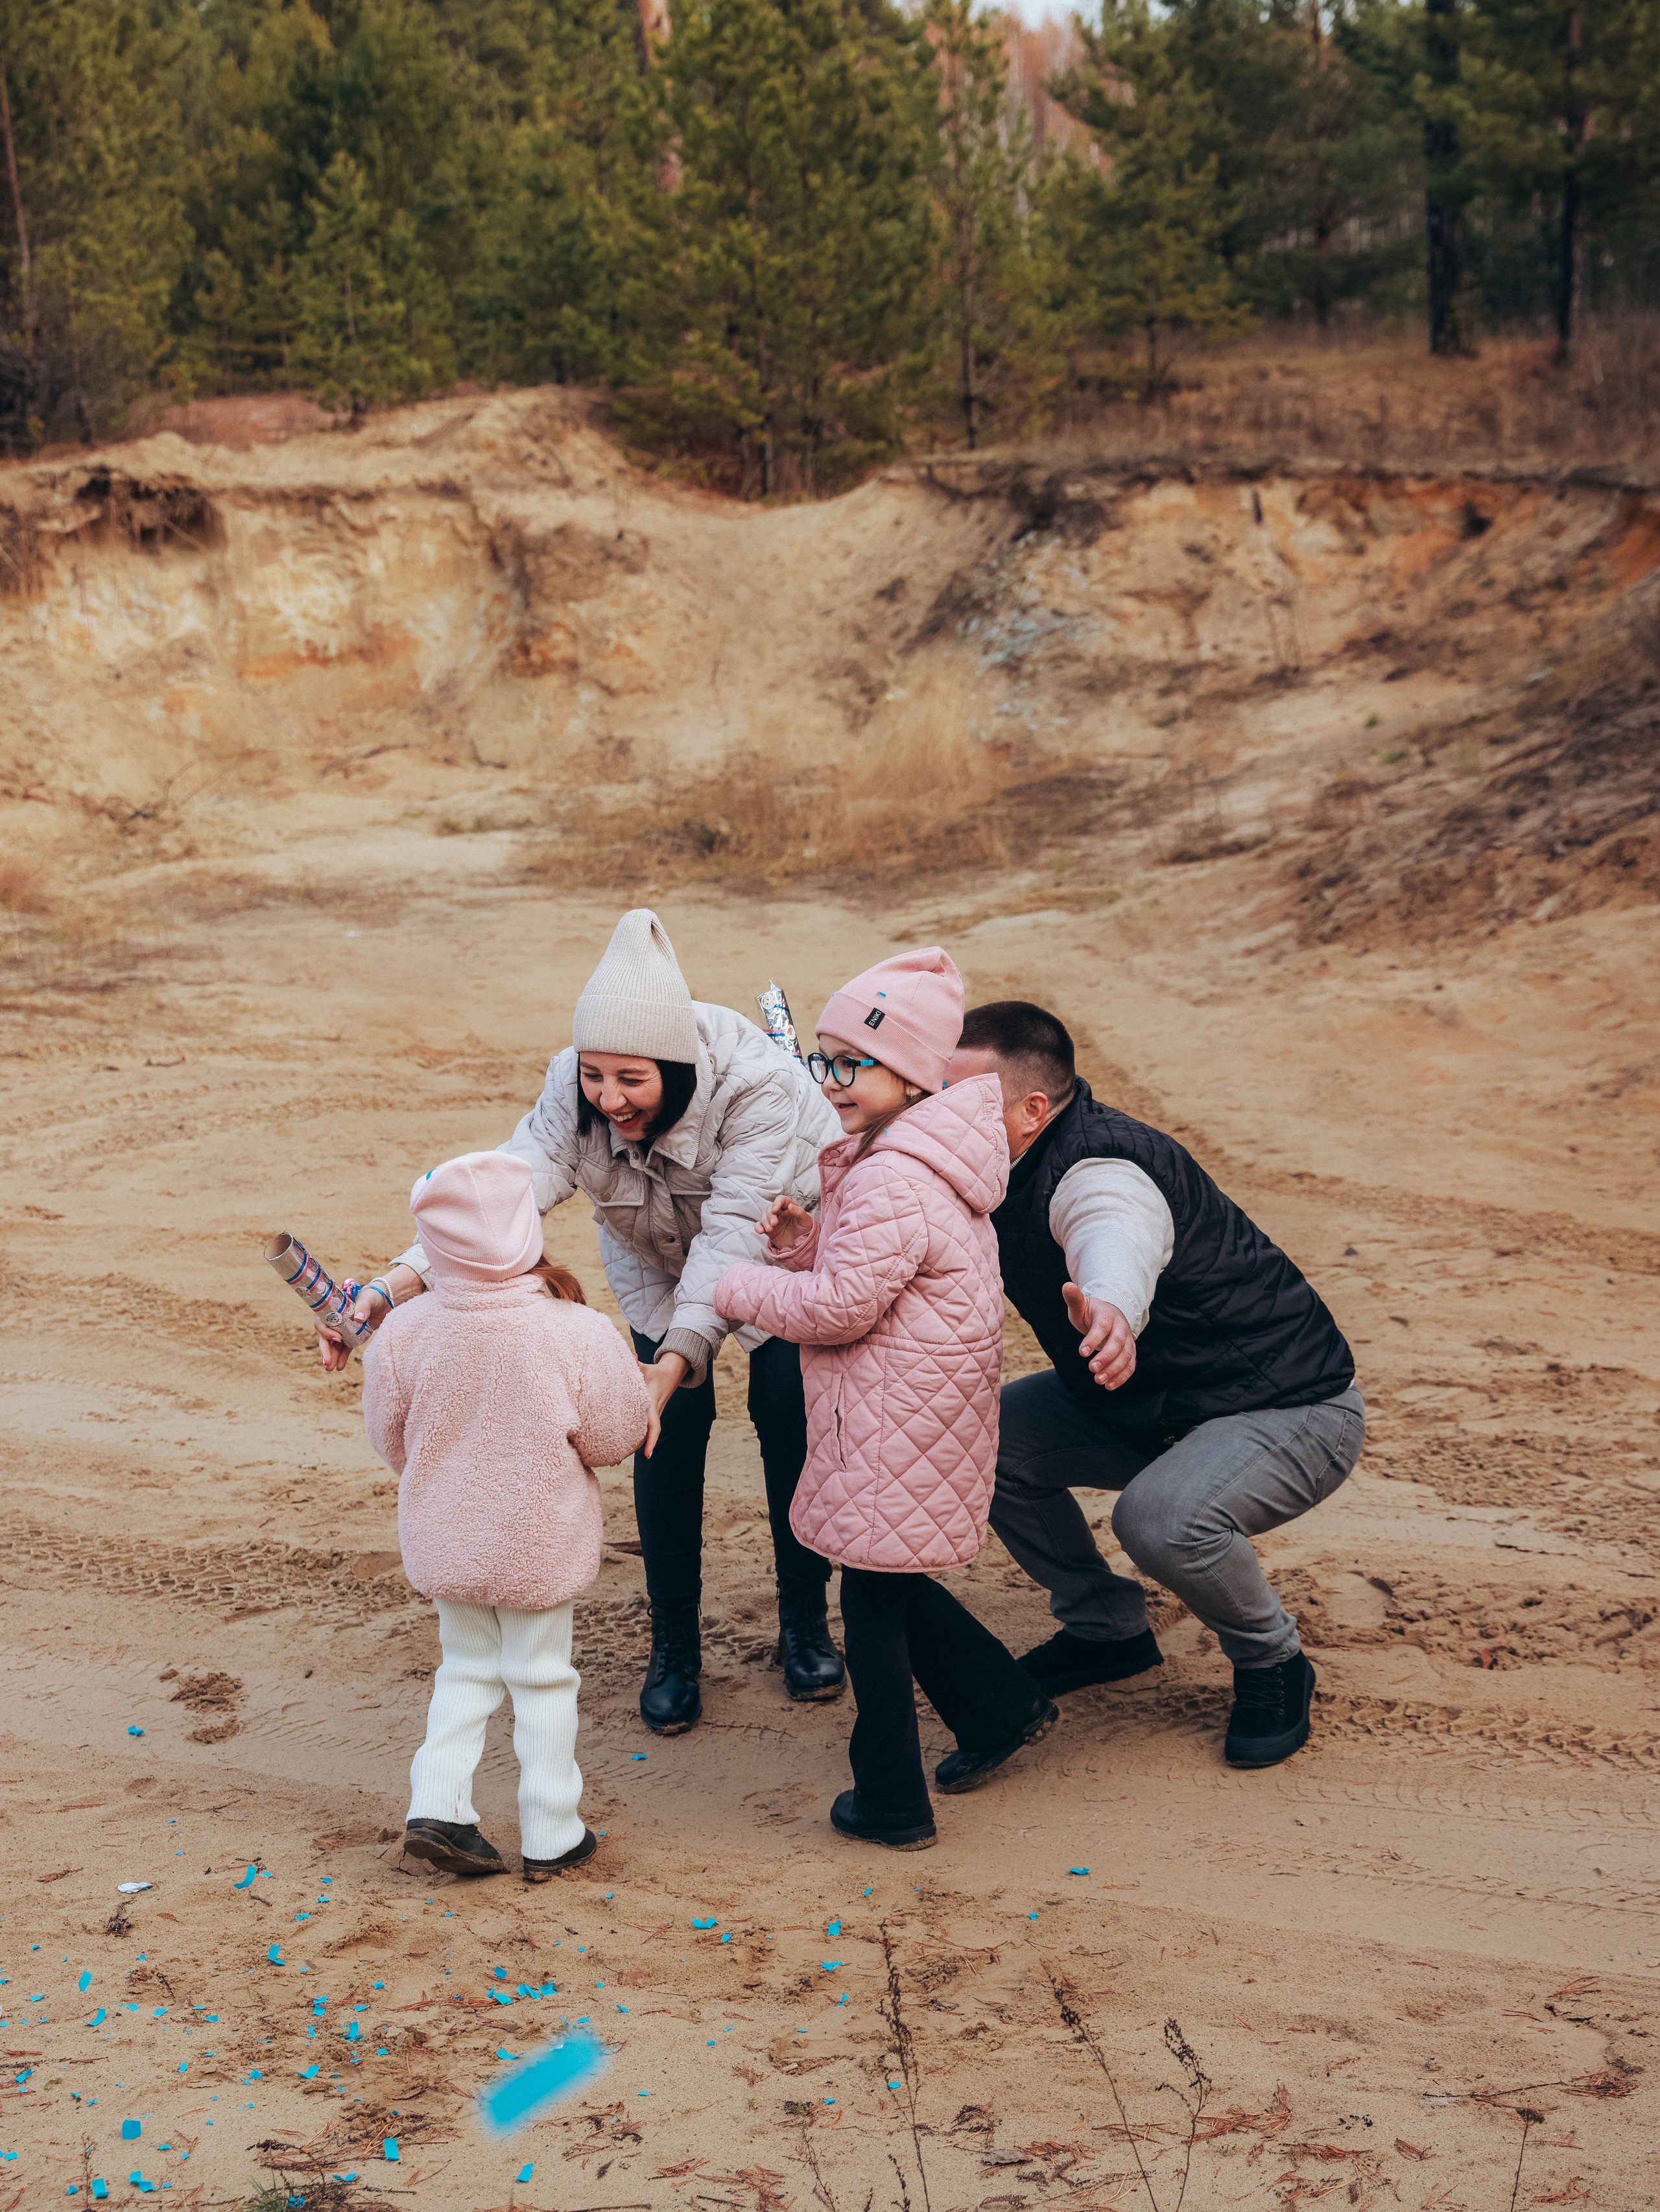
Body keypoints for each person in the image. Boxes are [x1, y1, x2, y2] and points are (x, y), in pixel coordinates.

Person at [323, 909, 846, 1736]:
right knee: (662, 1436)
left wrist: (673, 1362)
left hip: (782, 1248)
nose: (608, 1098)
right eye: (595, 1077)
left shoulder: (759, 1090)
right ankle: (673, 1644)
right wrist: (394, 1286)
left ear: (675, 1064)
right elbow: (500, 1194)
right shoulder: (573, 1088)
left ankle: (804, 1622)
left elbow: (732, 1236)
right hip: (650, 1254)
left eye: (631, 1080)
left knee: (788, 1418)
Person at [947, 1001, 1365, 1770]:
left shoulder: (1101, 1165)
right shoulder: (993, 1164)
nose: (936, 1115)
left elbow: (1115, 1226)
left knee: (1162, 1520)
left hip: (1288, 1406)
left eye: (958, 1099)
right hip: (1143, 1399)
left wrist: (1110, 1304)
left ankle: (1273, 1661)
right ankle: (1106, 1631)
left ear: (1032, 1108)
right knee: (983, 1440)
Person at [715, 950, 1057, 1851]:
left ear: (913, 1072)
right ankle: (999, 1704)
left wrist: (741, 1286)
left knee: (869, 1611)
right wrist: (801, 1247)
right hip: (914, 1412)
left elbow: (837, 1310)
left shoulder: (894, 1172)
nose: (831, 1081)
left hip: (890, 1420)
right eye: (824, 1059)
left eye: (851, 1062)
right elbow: (868, 1276)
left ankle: (892, 1800)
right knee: (887, 1584)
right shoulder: (912, 1157)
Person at [362, 1150, 653, 1881]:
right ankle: (552, 1829)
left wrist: (444, 1478)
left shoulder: (403, 1332)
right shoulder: (575, 1330)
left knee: (463, 1668)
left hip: (447, 1536)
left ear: (431, 1246)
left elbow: (391, 1437)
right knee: (541, 1676)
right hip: (539, 1539)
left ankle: (438, 1806)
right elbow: (615, 1437)